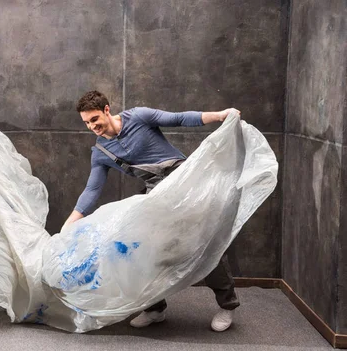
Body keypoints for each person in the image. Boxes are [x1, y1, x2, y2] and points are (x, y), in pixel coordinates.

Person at [61, 90, 241, 332]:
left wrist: (219, 115)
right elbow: (92, 189)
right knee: (139, 250)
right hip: (156, 195)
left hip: (184, 183)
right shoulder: (101, 153)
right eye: (86, 123)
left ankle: (227, 305)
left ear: (106, 110)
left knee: (206, 243)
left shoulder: (138, 117)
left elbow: (179, 118)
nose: (92, 126)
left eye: (94, 119)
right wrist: (71, 221)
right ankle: (155, 309)